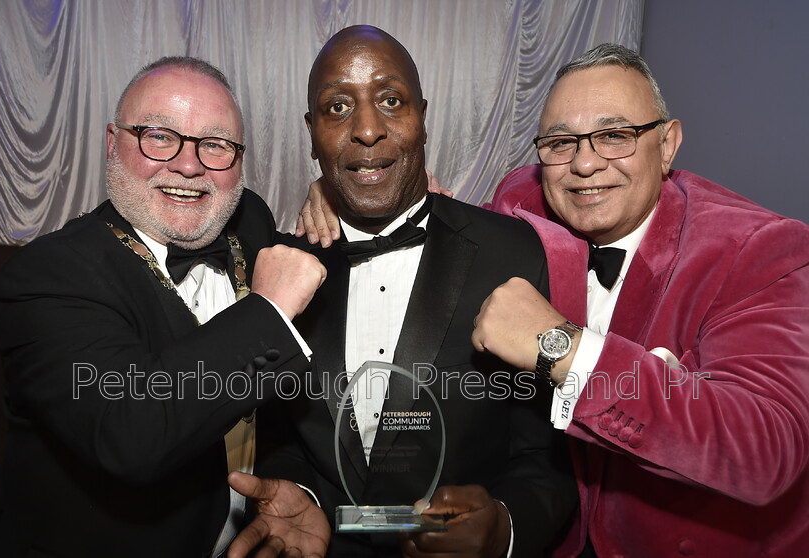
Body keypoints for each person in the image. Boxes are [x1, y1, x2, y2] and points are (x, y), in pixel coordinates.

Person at [298, 43, 809, 557]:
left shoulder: (757, 249)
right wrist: (345, 191)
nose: (584, 164)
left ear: (668, 143)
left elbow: (765, 451)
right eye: (561, 142)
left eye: (615, 136)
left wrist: (560, 347)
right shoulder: (522, 199)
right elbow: (435, 230)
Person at [0, 56, 329, 557]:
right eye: (159, 135)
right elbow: (130, 434)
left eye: (216, 144)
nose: (188, 164)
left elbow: (274, 408)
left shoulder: (250, 225)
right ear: (113, 143)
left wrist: (347, 193)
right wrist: (267, 312)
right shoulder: (47, 275)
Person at [254, 25, 577, 558]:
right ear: (311, 133)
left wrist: (505, 526)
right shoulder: (283, 267)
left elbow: (547, 456)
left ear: (422, 116)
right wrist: (302, 495)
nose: (366, 129)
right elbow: (280, 438)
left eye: (390, 100)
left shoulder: (512, 251)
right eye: (337, 108)